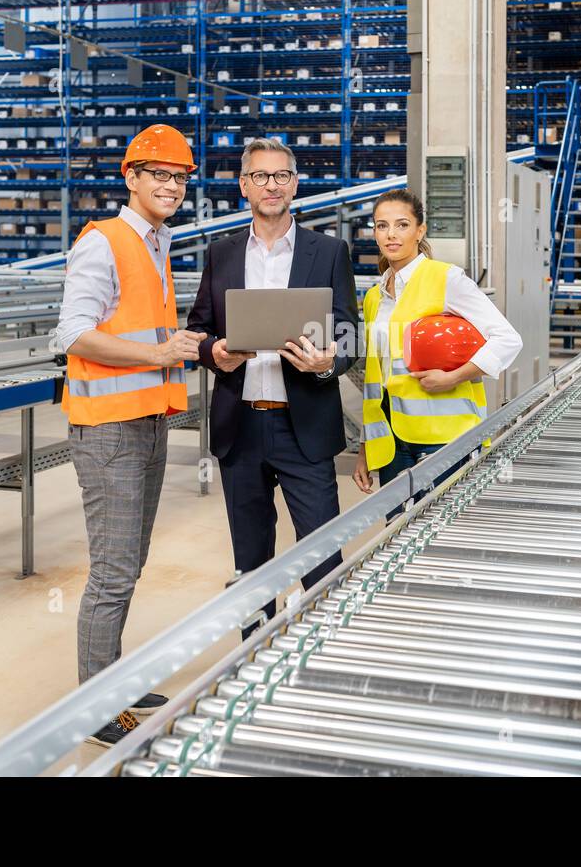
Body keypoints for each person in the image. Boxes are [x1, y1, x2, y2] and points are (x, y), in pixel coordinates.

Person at [54, 124, 206, 747]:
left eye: (180, 177)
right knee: (112, 572)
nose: (171, 186)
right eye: (160, 175)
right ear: (131, 177)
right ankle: (94, 708)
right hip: (109, 432)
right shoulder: (105, 243)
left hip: (146, 424)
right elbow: (73, 334)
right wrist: (159, 353)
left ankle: (111, 681)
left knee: (131, 562)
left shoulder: (155, 242)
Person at [186, 137, 360, 638]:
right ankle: (254, 655)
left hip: (303, 426)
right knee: (251, 563)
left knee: (323, 554)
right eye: (260, 176)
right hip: (241, 430)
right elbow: (199, 331)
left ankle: (324, 654)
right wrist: (214, 352)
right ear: (244, 186)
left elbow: (347, 331)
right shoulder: (220, 255)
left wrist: (328, 361)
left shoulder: (328, 251)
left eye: (281, 175)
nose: (271, 185)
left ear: (295, 184)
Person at [351, 188, 522, 496]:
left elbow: (507, 339)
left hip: (445, 437)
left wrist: (454, 377)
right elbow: (375, 379)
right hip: (391, 439)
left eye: (402, 225)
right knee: (398, 530)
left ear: (420, 231)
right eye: (381, 225)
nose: (391, 234)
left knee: (439, 533)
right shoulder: (376, 297)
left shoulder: (446, 279)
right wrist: (366, 447)